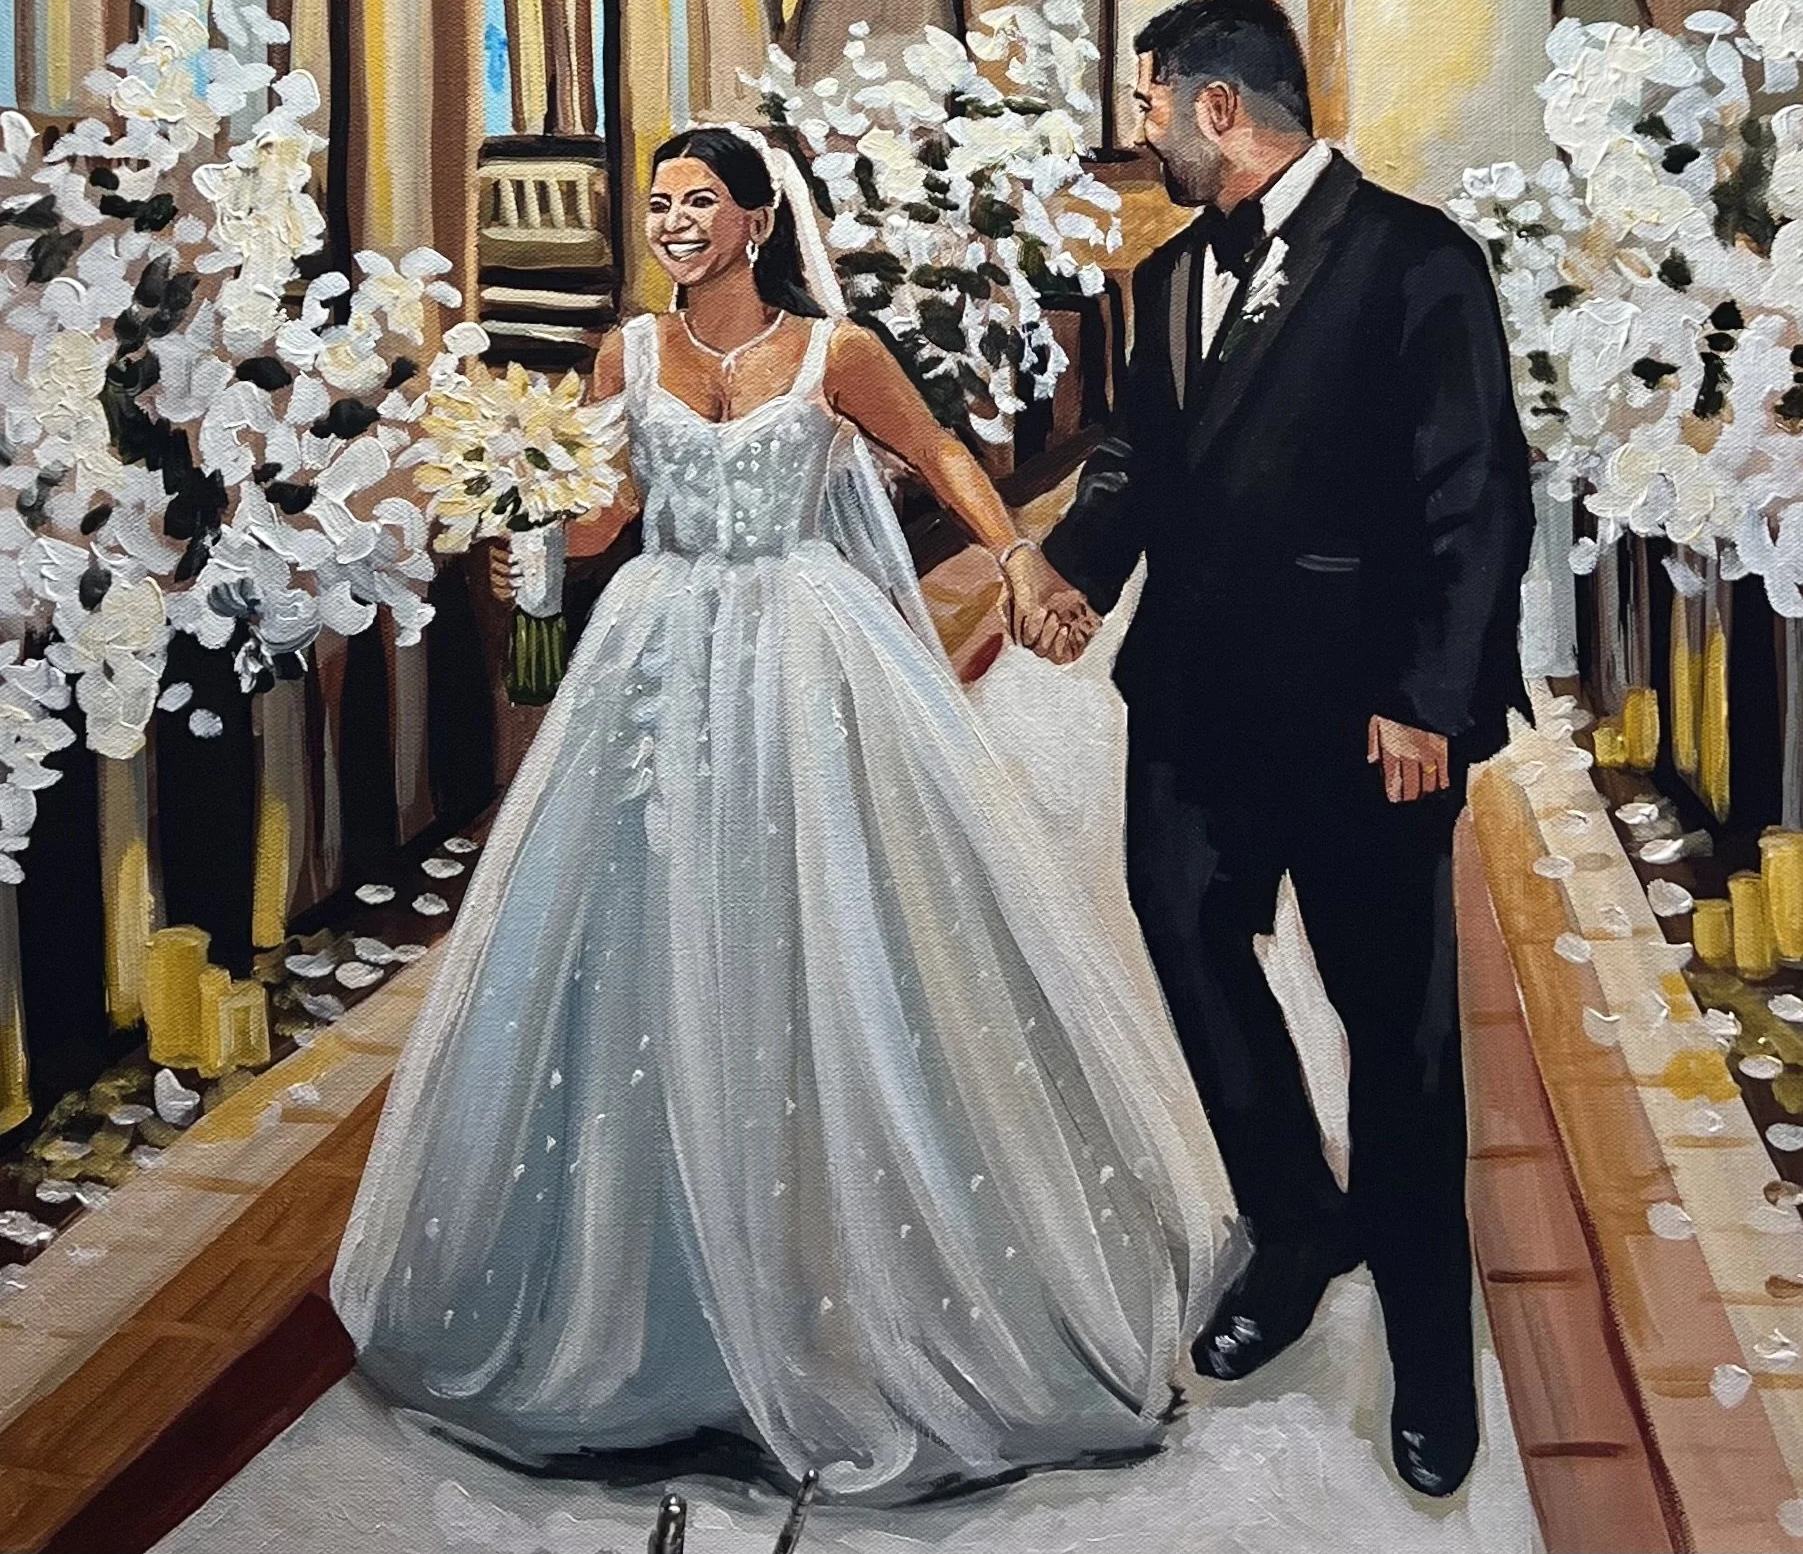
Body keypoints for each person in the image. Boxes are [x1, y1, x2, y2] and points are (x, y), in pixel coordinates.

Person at [333, 124, 1234, 1506]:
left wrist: (1016, 563)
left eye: (699, 203)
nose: (674, 224)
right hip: (655, 652)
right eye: (659, 205)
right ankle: (652, 1323)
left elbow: (936, 453)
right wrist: (524, 499)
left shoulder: (836, 353)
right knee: (637, 936)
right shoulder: (627, 353)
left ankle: (854, 1309)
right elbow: (605, 519)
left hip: (803, 649)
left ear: (756, 218)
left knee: (827, 937)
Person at [1016, 0, 1533, 1500]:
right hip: (1192, 706)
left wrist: (1431, 701)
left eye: (1149, 103)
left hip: (1365, 718)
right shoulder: (1171, 274)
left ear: (1217, 107)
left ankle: (1432, 1359)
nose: (1140, 129)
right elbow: (1137, 464)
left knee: (1399, 1035)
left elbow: (1473, 496)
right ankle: (1297, 1223)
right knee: (1184, 938)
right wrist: (1076, 573)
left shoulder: (1416, 260)